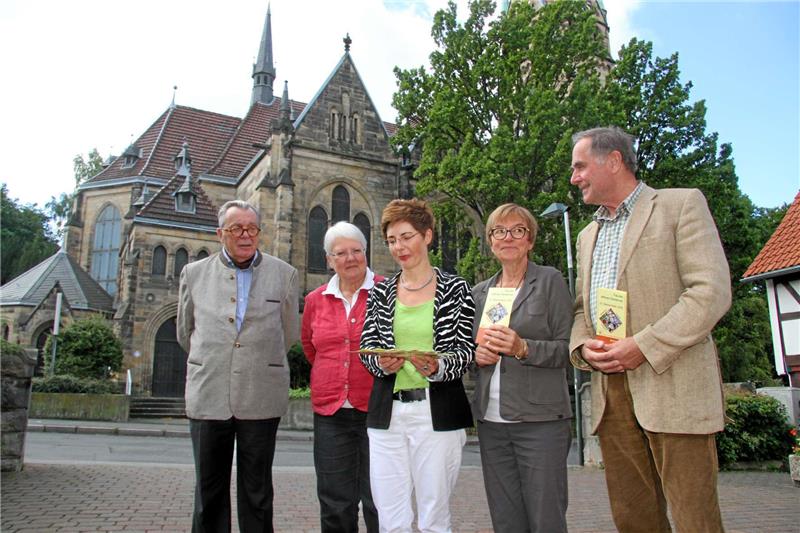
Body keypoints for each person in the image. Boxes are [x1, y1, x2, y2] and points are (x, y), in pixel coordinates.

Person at [568, 127, 731, 532]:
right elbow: (580, 311)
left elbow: (710, 293)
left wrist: (643, 345)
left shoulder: (680, 205)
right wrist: (582, 348)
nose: (574, 177)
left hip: (672, 384)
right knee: (634, 518)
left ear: (614, 162)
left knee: (696, 520)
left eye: (580, 166)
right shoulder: (588, 234)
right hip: (612, 395)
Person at [177, 200, 299, 533]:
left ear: (259, 232)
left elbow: (288, 334)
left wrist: (253, 359)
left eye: (252, 228)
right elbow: (185, 332)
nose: (245, 235)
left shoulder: (284, 274)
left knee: (257, 492)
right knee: (208, 491)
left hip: (261, 394)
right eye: (236, 229)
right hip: (209, 392)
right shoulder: (193, 274)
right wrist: (220, 357)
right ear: (220, 234)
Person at [359, 199, 475, 533]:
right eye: (392, 240)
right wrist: (381, 362)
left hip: (435, 412)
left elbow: (465, 351)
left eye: (406, 236)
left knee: (433, 517)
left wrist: (436, 367)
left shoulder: (455, 289)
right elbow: (368, 349)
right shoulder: (381, 292)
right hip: (387, 416)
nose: (399, 247)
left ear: (427, 236)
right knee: (390, 517)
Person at [471, 203, 573, 533]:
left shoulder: (549, 281)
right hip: (492, 422)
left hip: (540, 422)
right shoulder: (480, 293)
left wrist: (523, 347)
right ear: (490, 241)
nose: (508, 237)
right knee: (505, 519)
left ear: (530, 240)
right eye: (499, 231)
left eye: (518, 231)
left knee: (546, 518)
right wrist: (477, 357)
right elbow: (474, 354)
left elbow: (567, 349)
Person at [301, 221, 382, 533]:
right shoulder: (315, 299)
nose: (350, 258)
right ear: (329, 259)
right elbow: (311, 347)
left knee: (379, 499)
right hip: (330, 412)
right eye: (341, 253)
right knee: (335, 500)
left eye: (356, 251)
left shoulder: (388, 291)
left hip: (378, 410)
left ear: (366, 253)